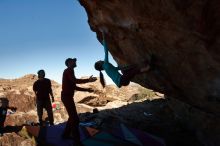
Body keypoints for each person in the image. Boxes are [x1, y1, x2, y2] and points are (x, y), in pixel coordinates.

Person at [61, 58, 97, 146]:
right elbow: (75, 81)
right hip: (66, 97)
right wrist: (88, 80)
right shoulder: (68, 70)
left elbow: (74, 86)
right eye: (74, 61)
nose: (75, 62)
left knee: (72, 117)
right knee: (75, 119)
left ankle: (65, 135)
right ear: (69, 63)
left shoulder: (70, 71)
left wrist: (87, 90)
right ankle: (76, 142)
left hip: (68, 97)